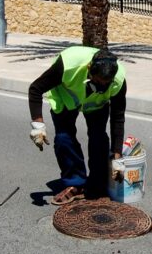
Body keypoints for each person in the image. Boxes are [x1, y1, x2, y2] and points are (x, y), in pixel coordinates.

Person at [28, 46, 127, 205]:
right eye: (97, 82)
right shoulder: (68, 65)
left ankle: (97, 184)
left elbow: (118, 117)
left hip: (96, 105)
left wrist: (117, 157)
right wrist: (38, 124)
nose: (101, 87)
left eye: (105, 84)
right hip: (66, 97)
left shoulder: (118, 80)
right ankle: (76, 183)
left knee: (99, 139)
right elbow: (35, 89)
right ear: (89, 69)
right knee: (63, 138)